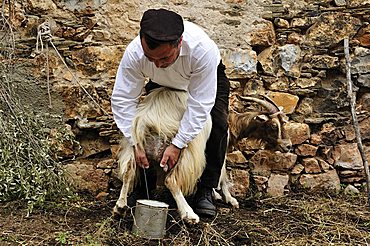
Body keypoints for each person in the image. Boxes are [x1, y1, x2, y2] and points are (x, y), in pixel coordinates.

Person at [111, 8, 230, 217]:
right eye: (151, 58)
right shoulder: (134, 54)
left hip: (202, 81)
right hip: (160, 82)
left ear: (179, 43)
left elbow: (199, 104)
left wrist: (177, 144)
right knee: (146, 122)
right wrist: (135, 142)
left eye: (164, 57)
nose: (158, 64)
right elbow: (123, 100)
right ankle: (142, 189)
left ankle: (205, 190)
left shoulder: (202, 50)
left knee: (217, 124)